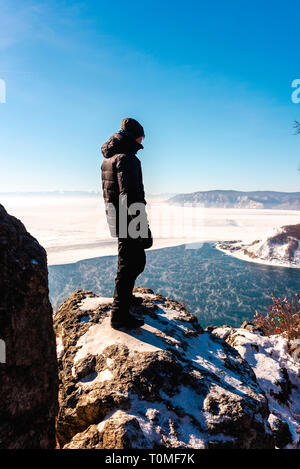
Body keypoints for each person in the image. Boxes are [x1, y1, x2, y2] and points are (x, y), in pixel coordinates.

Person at [101, 118, 152, 329]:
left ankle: (125, 300)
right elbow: (131, 196)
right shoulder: (128, 159)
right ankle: (119, 314)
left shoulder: (109, 159)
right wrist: (142, 227)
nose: (143, 141)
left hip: (117, 217)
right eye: (142, 136)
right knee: (132, 263)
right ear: (135, 135)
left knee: (129, 262)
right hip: (129, 219)